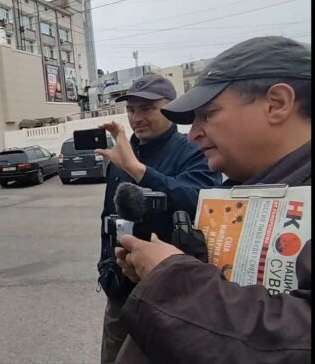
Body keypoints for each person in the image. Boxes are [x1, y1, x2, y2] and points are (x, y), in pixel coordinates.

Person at [115, 36, 311, 363]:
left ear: (277, 103)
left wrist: (173, 279)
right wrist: (170, 268)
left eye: (208, 114)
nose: (193, 133)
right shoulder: (245, 189)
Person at [94, 74, 223, 364]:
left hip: (170, 290)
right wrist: (105, 265)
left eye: (147, 108)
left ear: (171, 107)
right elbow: (109, 214)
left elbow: (199, 200)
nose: (136, 117)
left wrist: (138, 170)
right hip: (120, 287)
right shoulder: (123, 152)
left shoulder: (192, 150)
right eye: (131, 109)